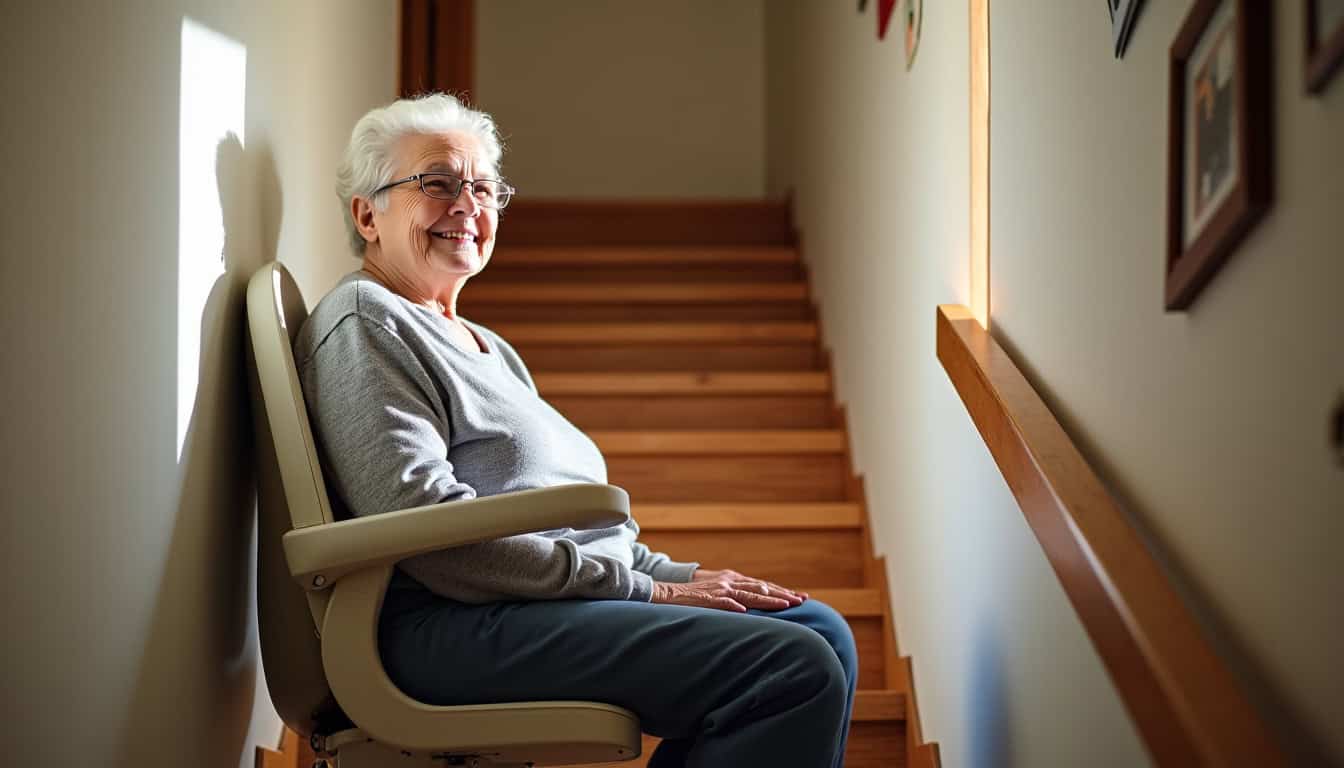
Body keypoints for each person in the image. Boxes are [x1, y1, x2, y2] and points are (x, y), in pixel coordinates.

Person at [294, 93, 857, 767]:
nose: (468, 207)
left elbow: (570, 523)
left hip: (526, 604)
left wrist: (674, 573)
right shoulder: (367, 322)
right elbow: (424, 527)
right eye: (438, 184)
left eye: (483, 188)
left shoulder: (487, 347)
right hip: (444, 623)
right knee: (791, 667)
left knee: (820, 629)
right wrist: (648, 589)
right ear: (368, 214)